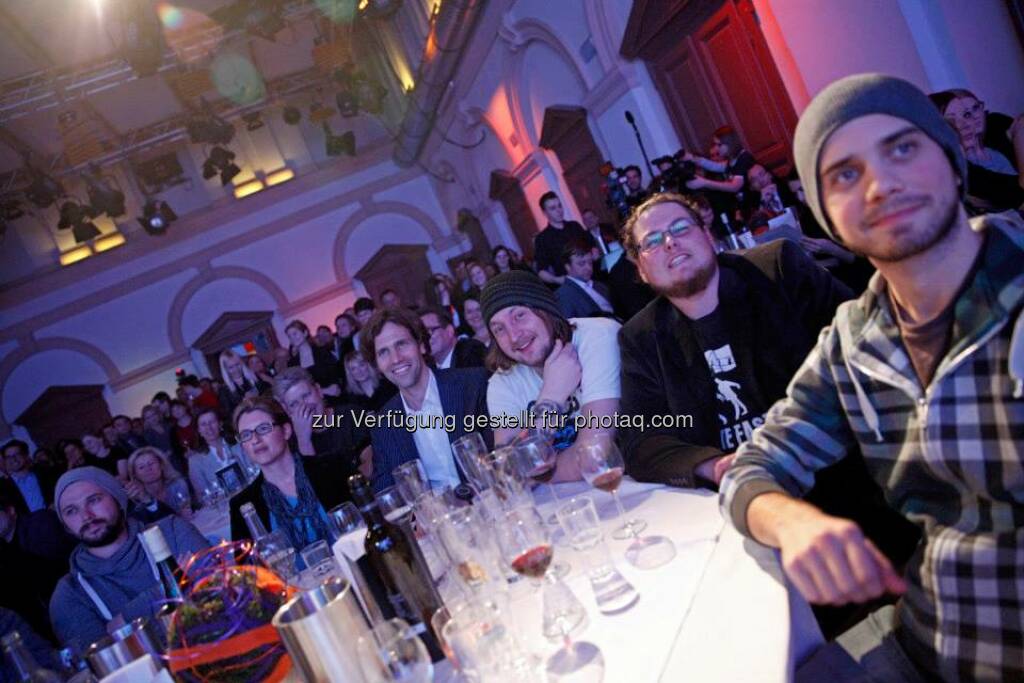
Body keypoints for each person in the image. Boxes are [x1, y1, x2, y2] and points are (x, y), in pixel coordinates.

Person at [720, 74, 1024, 682]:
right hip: (927, 635)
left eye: (902, 148)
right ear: (828, 219)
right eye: (844, 175)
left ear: (953, 160)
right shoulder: (853, 337)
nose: (880, 184)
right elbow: (751, 467)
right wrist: (792, 520)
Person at [49, 467, 209, 650]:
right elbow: (106, 658)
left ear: (118, 499)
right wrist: (168, 588)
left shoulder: (171, 531)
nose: (86, 516)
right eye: (71, 511)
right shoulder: (68, 595)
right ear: (66, 525)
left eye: (93, 500)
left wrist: (122, 622)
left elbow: (216, 592)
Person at [481, 271, 621, 480]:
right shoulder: (503, 382)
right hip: (569, 497)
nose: (514, 336)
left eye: (519, 316)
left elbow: (595, 458)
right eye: (499, 329)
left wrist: (533, 475)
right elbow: (507, 475)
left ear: (545, 309)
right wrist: (551, 397)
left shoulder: (597, 338)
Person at [360, 307, 492, 492]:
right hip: (434, 510)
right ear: (377, 365)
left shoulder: (473, 385)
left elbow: (502, 452)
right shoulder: (383, 426)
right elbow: (386, 492)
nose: (396, 359)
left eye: (401, 344)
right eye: (383, 352)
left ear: (421, 345)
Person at [228, 397, 355, 547]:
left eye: (263, 428)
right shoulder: (243, 505)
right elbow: (246, 562)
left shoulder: (332, 467)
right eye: (246, 435)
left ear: (286, 431)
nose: (255, 440)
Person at [0, 481, 75, 642]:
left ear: (11, 511)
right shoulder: (5, 550)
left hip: (71, 602)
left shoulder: (40, 524)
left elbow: (56, 570)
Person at [929, 88, 1024, 213]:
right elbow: (1016, 197)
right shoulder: (960, 169)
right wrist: (1019, 133)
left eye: (966, 115)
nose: (965, 124)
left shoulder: (993, 149)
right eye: (951, 121)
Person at [272, 367, 369, 473]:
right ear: (287, 410)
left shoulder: (352, 415)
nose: (304, 406)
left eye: (306, 395)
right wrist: (304, 440)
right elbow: (309, 482)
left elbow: (371, 465)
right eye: (294, 404)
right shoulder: (289, 443)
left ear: (318, 391)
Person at [684, 125, 756, 216]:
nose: (716, 148)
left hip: (754, 204)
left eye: (719, 145)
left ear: (729, 143)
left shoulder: (744, 158)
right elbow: (715, 166)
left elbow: (735, 186)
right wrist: (694, 159)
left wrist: (704, 182)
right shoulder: (733, 159)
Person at [532, 191, 596, 286]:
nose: (559, 210)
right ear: (545, 213)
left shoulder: (575, 226)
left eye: (559, 206)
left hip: (593, 277)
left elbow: (592, 246)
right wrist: (557, 280)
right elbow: (541, 271)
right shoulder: (542, 239)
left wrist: (594, 253)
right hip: (571, 285)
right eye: (553, 208)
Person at [189, 407, 252, 495]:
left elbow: (255, 470)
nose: (209, 427)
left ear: (220, 424)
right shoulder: (195, 462)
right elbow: (203, 494)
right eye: (203, 424)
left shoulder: (239, 445)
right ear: (199, 430)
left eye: (212, 422)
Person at [124, 447, 192, 519]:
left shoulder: (177, 485)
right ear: (135, 474)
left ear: (161, 465)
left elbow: (187, 511)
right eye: (141, 467)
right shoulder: (136, 500)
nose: (148, 469)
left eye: (151, 463)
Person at [555, 240, 615, 320]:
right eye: (581, 264)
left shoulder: (601, 285)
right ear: (567, 267)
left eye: (590, 262)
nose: (588, 268)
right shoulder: (563, 295)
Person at [420, 306, 487, 369]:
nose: (425, 338)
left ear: (449, 331)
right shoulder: (428, 367)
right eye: (420, 333)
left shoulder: (472, 352)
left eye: (429, 331)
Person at [285, 320, 341, 396]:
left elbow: (336, 376)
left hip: (332, 397)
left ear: (305, 333)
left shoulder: (322, 352)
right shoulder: (292, 363)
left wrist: (334, 387)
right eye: (289, 336)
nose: (292, 338)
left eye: (295, 333)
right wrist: (323, 391)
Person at [1, 440, 57, 513]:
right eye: (8, 457)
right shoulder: (3, 486)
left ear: (26, 455)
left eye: (17, 454)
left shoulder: (44, 473)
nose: (14, 459)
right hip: (26, 520)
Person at [217, 349, 270, 421]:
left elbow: (269, 396)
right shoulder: (224, 390)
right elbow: (230, 415)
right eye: (231, 367)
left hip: (265, 415)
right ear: (225, 369)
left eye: (237, 364)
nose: (236, 369)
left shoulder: (254, 377)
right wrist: (243, 404)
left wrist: (257, 398)